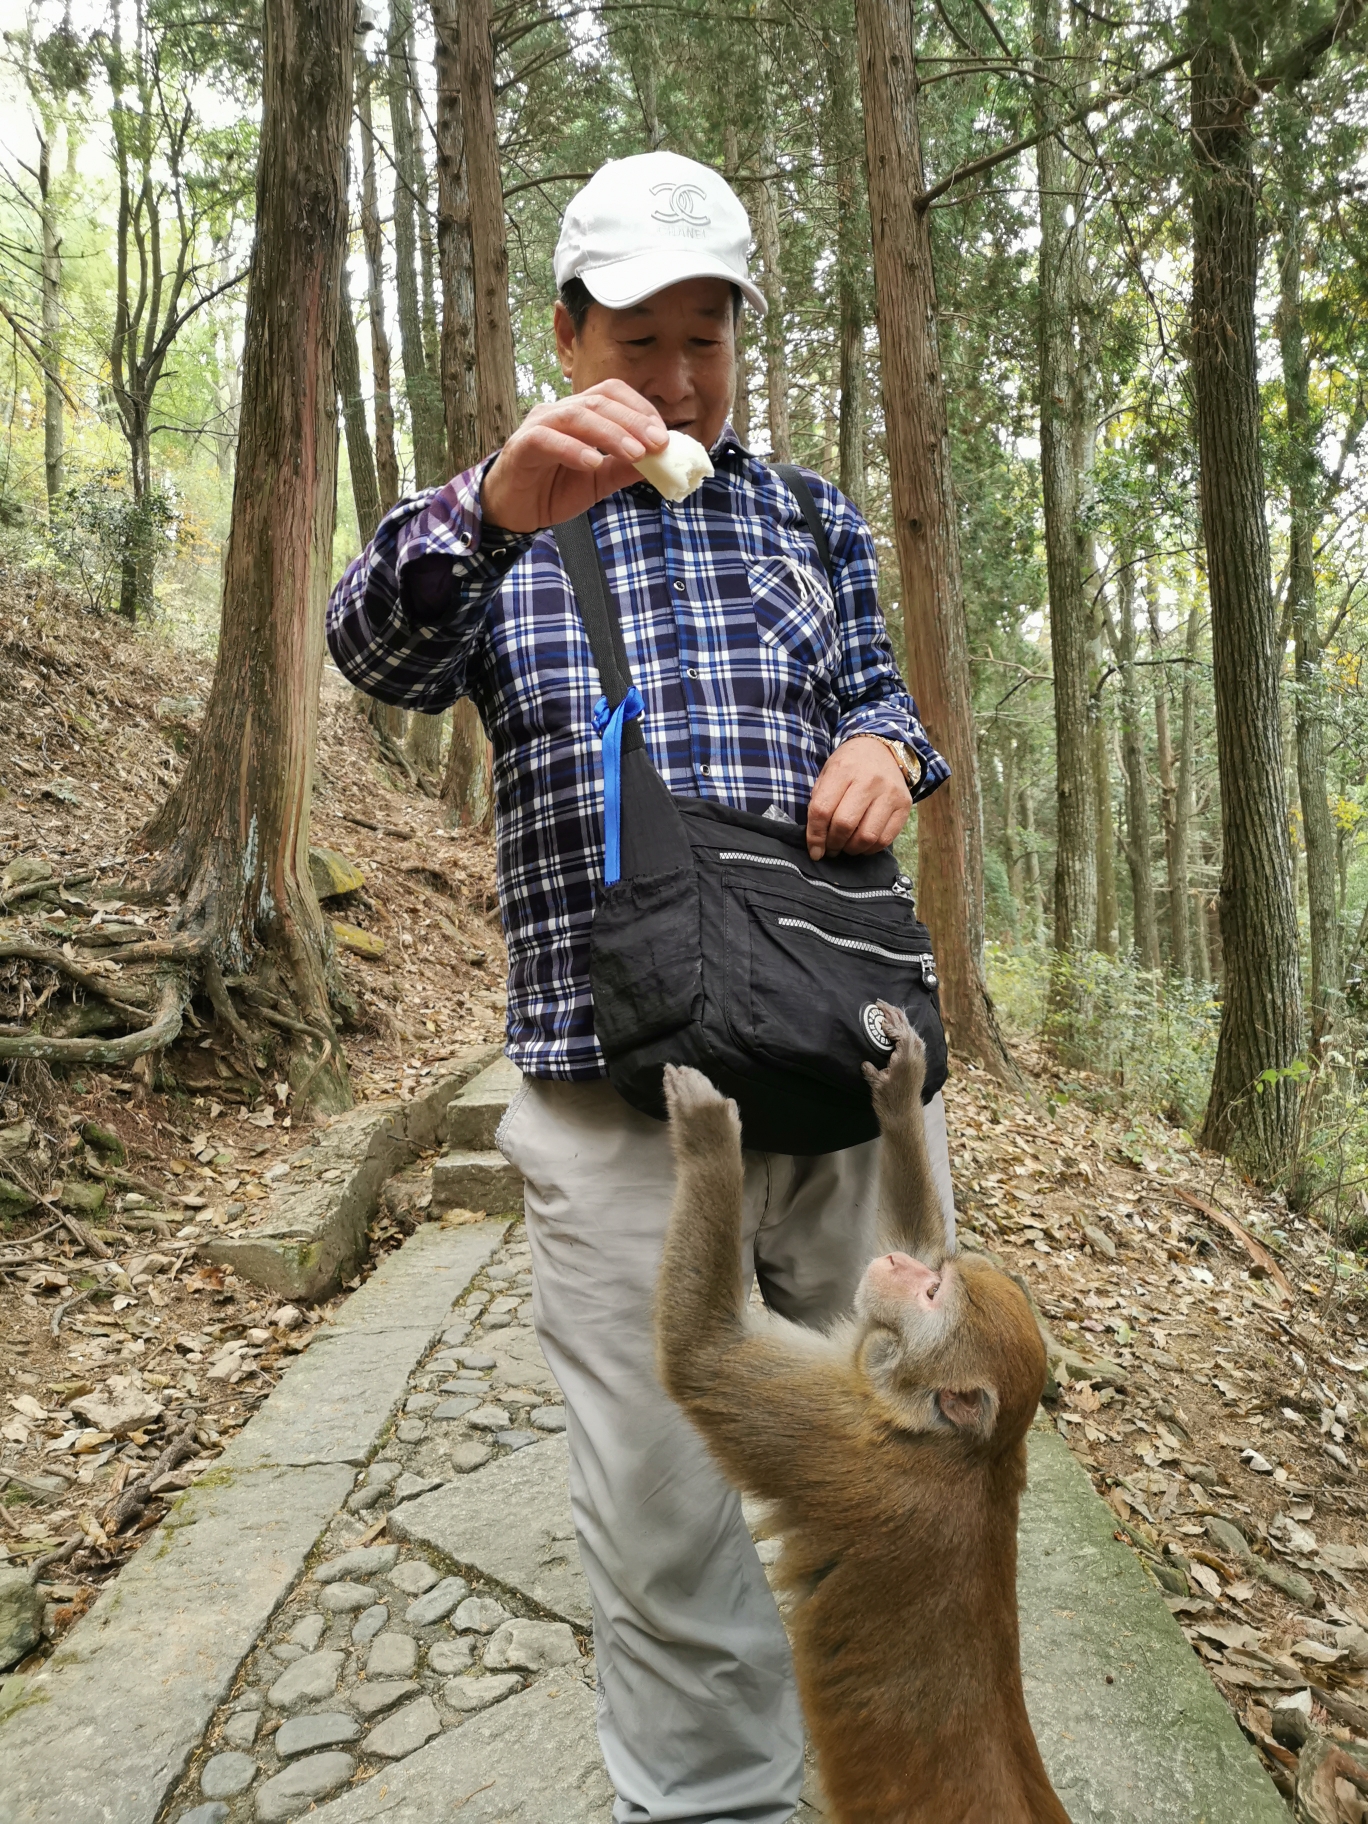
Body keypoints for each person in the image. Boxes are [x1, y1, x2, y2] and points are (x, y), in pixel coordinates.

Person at [327, 150, 954, 1824]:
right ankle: (710, 1804)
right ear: (567, 332)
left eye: (709, 340)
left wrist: (890, 751)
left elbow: (894, 699)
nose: (680, 381)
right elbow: (367, 651)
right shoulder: (497, 524)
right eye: (641, 342)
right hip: (615, 1098)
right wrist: (491, 510)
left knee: (908, 1458)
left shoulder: (807, 513)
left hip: (839, 1063)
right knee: (669, 1505)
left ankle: (902, 1771)